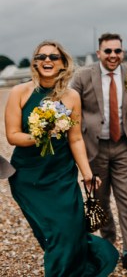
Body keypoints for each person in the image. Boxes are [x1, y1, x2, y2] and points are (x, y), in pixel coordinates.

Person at [4, 40, 118, 276]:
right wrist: (41, 134)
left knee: (71, 230)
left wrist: (87, 173)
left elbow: (75, 139)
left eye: (53, 57)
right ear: (35, 63)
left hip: (62, 175)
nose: (47, 60)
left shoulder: (72, 96)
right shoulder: (19, 92)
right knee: (55, 233)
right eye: (41, 56)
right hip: (29, 178)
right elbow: (13, 136)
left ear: (63, 63)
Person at [71, 33, 127, 270]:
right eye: (108, 51)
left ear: (123, 52)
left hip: (125, 146)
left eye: (117, 51)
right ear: (99, 53)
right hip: (93, 148)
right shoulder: (83, 76)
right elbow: (66, 105)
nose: (113, 56)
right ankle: (108, 244)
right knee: (100, 199)